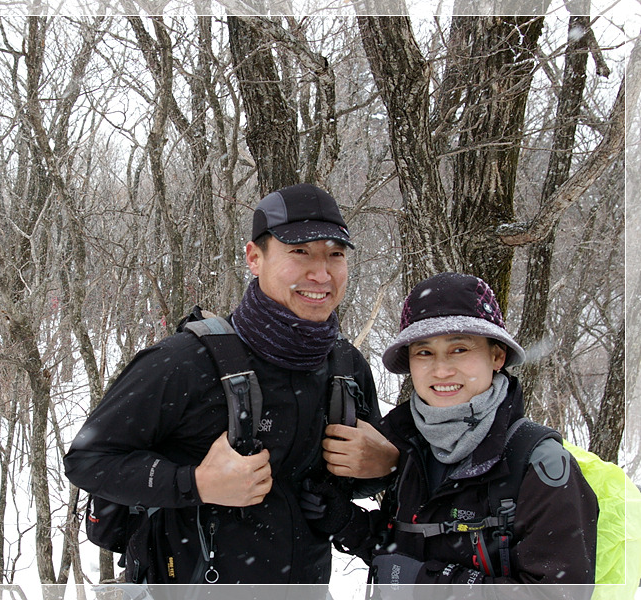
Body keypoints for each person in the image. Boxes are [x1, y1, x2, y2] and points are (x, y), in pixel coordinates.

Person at [64, 183, 399, 584]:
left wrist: (384, 467)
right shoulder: (185, 361)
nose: (322, 273)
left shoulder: (346, 367)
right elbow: (87, 461)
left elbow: (353, 483)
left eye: (336, 254)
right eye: (300, 252)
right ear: (254, 258)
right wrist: (195, 484)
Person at [329, 272, 598, 585]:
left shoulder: (538, 464)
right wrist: (349, 524)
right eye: (424, 352)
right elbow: (405, 551)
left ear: (496, 356)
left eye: (460, 349)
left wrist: (430, 585)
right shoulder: (409, 445)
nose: (441, 369)